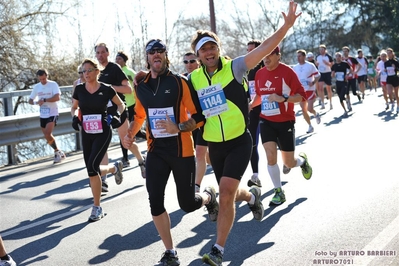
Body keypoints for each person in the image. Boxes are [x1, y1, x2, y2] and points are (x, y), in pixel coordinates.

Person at [188, 2, 301, 265]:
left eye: (212, 47)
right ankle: (252, 196)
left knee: (225, 192)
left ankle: (218, 249)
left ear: (219, 49)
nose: (209, 52)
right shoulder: (193, 79)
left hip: (240, 139)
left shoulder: (235, 67)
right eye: (203, 49)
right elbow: (191, 109)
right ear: (197, 55)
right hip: (215, 144)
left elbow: (263, 48)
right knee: (231, 191)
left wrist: (285, 26)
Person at [123, 39, 216, 266]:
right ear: (147, 57)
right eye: (151, 52)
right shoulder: (141, 85)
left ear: (166, 55)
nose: (156, 55)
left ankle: (209, 196)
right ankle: (170, 252)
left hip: (181, 150)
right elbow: (140, 115)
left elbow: (199, 116)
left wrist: (178, 127)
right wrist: (130, 134)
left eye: (160, 51)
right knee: (155, 200)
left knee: (188, 203)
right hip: (156, 152)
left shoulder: (179, 82)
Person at [249, 45, 312, 209]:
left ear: (278, 56)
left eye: (270, 54)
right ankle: (279, 191)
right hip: (266, 120)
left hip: (285, 121)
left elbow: (301, 96)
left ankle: (302, 161)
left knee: (289, 163)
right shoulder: (259, 73)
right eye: (264, 55)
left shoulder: (288, 72)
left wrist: (283, 98)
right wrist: (249, 106)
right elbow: (259, 96)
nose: (266, 58)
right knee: (270, 155)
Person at [71, 58, 125, 222]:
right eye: (83, 71)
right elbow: (74, 107)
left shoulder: (106, 89)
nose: (85, 74)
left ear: (96, 71)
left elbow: (121, 105)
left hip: (103, 130)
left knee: (93, 166)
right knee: (91, 170)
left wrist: (116, 115)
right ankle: (113, 168)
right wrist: (74, 117)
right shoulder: (79, 89)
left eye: (89, 70)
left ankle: (97, 207)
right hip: (86, 132)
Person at [94, 43, 134, 192]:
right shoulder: (95, 71)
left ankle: (142, 161)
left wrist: (109, 88)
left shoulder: (114, 68)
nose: (100, 55)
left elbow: (128, 89)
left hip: (118, 109)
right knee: (102, 144)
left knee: (126, 142)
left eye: (103, 52)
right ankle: (103, 180)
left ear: (108, 53)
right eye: (98, 53)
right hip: (102, 112)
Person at [181, 52, 211, 193]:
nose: (189, 65)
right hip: (192, 122)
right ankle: (197, 185)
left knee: (202, 154)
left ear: (198, 61)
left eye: (192, 61)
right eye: (185, 62)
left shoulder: (203, 76)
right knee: (199, 154)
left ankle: (197, 186)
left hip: (208, 120)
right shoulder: (183, 79)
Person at [115, 51, 146, 173]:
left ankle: (150, 136)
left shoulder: (130, 72)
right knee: (123, 132)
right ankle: (125, 158)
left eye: (119, 59)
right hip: (121, 105)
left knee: (134, 131)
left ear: (124, 60)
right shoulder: (115, 73)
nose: (117, 61)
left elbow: (136, 87)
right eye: (116, 59)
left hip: (132, 104)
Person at [28, 69, 66, 164]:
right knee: (46, 135)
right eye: (40, 79)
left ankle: (57, 153)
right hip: (43, 113)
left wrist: (45, 100)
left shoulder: (53, 84)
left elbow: (57, 97)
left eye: (44, 79)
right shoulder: (37, 87)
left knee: (48, 133)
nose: (43, 81)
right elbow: (30, 100)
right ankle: (58, 151)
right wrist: (37, 102)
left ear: (47, 76)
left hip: (52, 112)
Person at [246, 39, 264, 188]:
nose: (249, 53)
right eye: (248, 50)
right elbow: (249, 91)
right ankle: (255, 175)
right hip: (254, 109)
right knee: (253, 144)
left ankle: (289, 160)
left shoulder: (267, 66)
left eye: (252, 50)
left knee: (274, 143)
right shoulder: (248, 69)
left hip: (270, 110)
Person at [293, 49, 321, 133]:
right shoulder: (295, 67)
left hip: (310, 90)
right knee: (303, 110)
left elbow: (318, 75)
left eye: (300, 56)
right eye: (297, 56)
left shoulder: (310, 65)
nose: (298, 58)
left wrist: (313, 82)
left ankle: (315, 114)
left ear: (304, 57)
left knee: (309, 109)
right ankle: (310, 126)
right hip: (301, 91)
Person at [331, 52, 353, 117]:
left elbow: (351, 69)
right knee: (340, 98)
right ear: (335, 58)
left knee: (341, 96)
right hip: (338, 82)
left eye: (339, 56)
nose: (338, 58)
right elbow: (332, 73)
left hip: (344, 82)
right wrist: (332, 74)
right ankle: (345, 108)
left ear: (341, 57)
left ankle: (346, 108)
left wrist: (348, 74)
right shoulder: (334, 66)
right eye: (337, 56)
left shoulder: (345, 64)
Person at [342, 46, 362, 110]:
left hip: (352, 77)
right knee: (347, 92)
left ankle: (358, 94)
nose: (345, 52)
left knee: (354, 92)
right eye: (344, 51)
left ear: (348, 52)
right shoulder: (342, 59)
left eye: (346, 51)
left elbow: (360, 65)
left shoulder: (352, 59)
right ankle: (349, 104)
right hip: (346, 78)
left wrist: (355, 72)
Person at [315, 44, 334, 110]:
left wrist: (327, 63)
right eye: (320, 50)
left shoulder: (328, 56)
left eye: (322, 49)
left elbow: (332, 65)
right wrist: (316, 64)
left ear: (325, 50)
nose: (321, 51)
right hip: (321, 73)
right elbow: (316, 64)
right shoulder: (317, 56)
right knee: (320, 88)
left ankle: (331, 102)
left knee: (328, 89)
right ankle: (322, 103)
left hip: (327, 73)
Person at [385, 48, 399, 113]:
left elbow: (398, 70)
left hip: (395, 78)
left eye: (390, 53)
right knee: (389, 92)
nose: (389, 54)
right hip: (389, 78)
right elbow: (385, 70)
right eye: (387, 53)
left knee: (396, 94)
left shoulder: (396, 62)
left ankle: (398, 106)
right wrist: (385, 70)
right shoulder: (386, 62)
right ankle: (392, 102)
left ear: (392, 53)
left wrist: (395, 68)